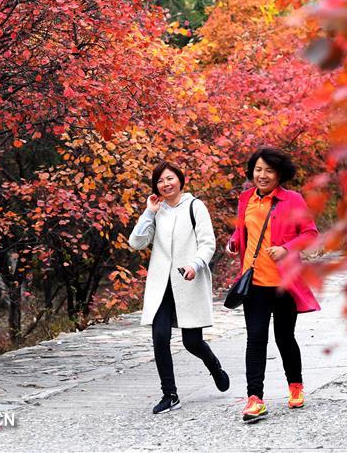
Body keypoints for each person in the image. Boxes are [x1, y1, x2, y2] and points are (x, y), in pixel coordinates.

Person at [226, 147, 320, 423]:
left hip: (284, 283)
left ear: (279, 174)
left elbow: (311, 234)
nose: (262, 175)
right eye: (258, 169)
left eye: (268, 170)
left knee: (283, 337)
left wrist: (287, 248)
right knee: (255, 340)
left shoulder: (292, 200)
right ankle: (254, 399)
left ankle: (295, 386)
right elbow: (244, 229)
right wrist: (234, 241)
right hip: (253, 282)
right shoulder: (246, 199)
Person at [129, 161, 230, 414]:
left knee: (192, 342)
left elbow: (208, 243)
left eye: (170, 178)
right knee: (160, 338)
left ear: (180, 180)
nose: (166, 184)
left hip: (188, 280)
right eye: (161, 181)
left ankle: (214, 366)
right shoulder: (157, 211)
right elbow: (136, 242)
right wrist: (149, 213)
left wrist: (195, 265)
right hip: (161, 285)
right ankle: (170, 394)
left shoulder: (195, 206)